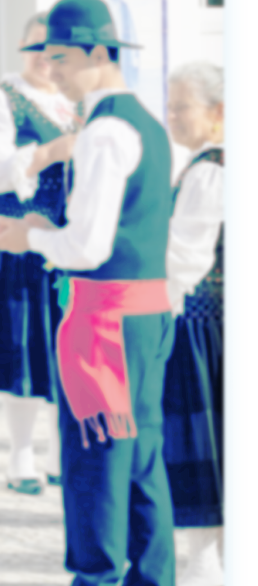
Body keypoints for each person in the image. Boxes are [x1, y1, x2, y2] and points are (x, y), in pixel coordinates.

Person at [0, 0, 177, 583]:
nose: (52, 71)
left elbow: (88, 248)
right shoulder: (145, 119)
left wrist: (31, 239)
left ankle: (95, 577)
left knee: (96, 461)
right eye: (45, 57)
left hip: (106, 321)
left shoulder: (103, 132)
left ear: (99, 53)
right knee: (141, 461)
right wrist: (50, 234)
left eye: (61, 58)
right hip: (145, 315)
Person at [0, 11, 75, 495]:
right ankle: (20, 455)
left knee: (62, 341)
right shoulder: (1, 100)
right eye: (37, 47)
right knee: (23, 343)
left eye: (56, 49)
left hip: (66, 237)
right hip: (13, 233)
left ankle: (61, 449)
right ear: (21, 49)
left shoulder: (78, 103)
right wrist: (47, 153)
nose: (46, 57)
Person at [162, 62, 224, 586]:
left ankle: (205, 570)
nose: (172, 115)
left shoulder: (210, 172)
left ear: (218, 113)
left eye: (182, 106)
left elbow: (183, 258)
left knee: (207, 454)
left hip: (205, 330)